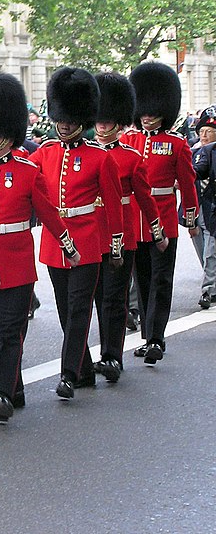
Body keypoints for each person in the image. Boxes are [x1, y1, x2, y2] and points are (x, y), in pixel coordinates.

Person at [0, 72, 80, 420]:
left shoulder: (27, 171)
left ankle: (1, 394)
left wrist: (67, 243)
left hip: (16, 261)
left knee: (11, 331)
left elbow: (48, 211)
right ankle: (15, 388)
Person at [29, 67, 123, 398]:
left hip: (87, 240)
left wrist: (115, 245)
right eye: (61, 118)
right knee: (66, 310)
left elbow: (113, 205)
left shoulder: (99, 157)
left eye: (70, 119)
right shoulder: (44, 154)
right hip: (56, 243)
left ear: (81, 119)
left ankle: (68, 373)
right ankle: (83, 369)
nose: (65, 123)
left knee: (80, 307)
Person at [89, 72, 167, 382]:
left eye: (108, 121)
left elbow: (146, 199)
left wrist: (157, 231)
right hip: (92, 233)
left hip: (122, 233)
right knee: (97, 297)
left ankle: (112, 357)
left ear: (119, 123)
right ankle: (102, 352)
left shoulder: (131, 157)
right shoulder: (88, 154)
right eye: (100, 119)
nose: (102, 125)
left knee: (114, 298)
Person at [123, 62, 198, 363]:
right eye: (143, 109)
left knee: (161, 280)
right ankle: (147, 335)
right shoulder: (129, 140)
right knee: (142, 280)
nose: (148, 115)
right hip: (136, 222)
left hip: (164, 219)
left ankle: (156, 338)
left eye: (153, 110)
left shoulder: (177, 144)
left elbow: (189, 184)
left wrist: (189, 218)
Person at [190, 106, 216, 309]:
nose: (205, 135)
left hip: (211, 208)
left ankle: (209, 288)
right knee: (204, 251)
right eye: (202, 131)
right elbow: (195, 173)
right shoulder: (199, 151)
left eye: (210, 131)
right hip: (201, 207)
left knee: (211, 250)